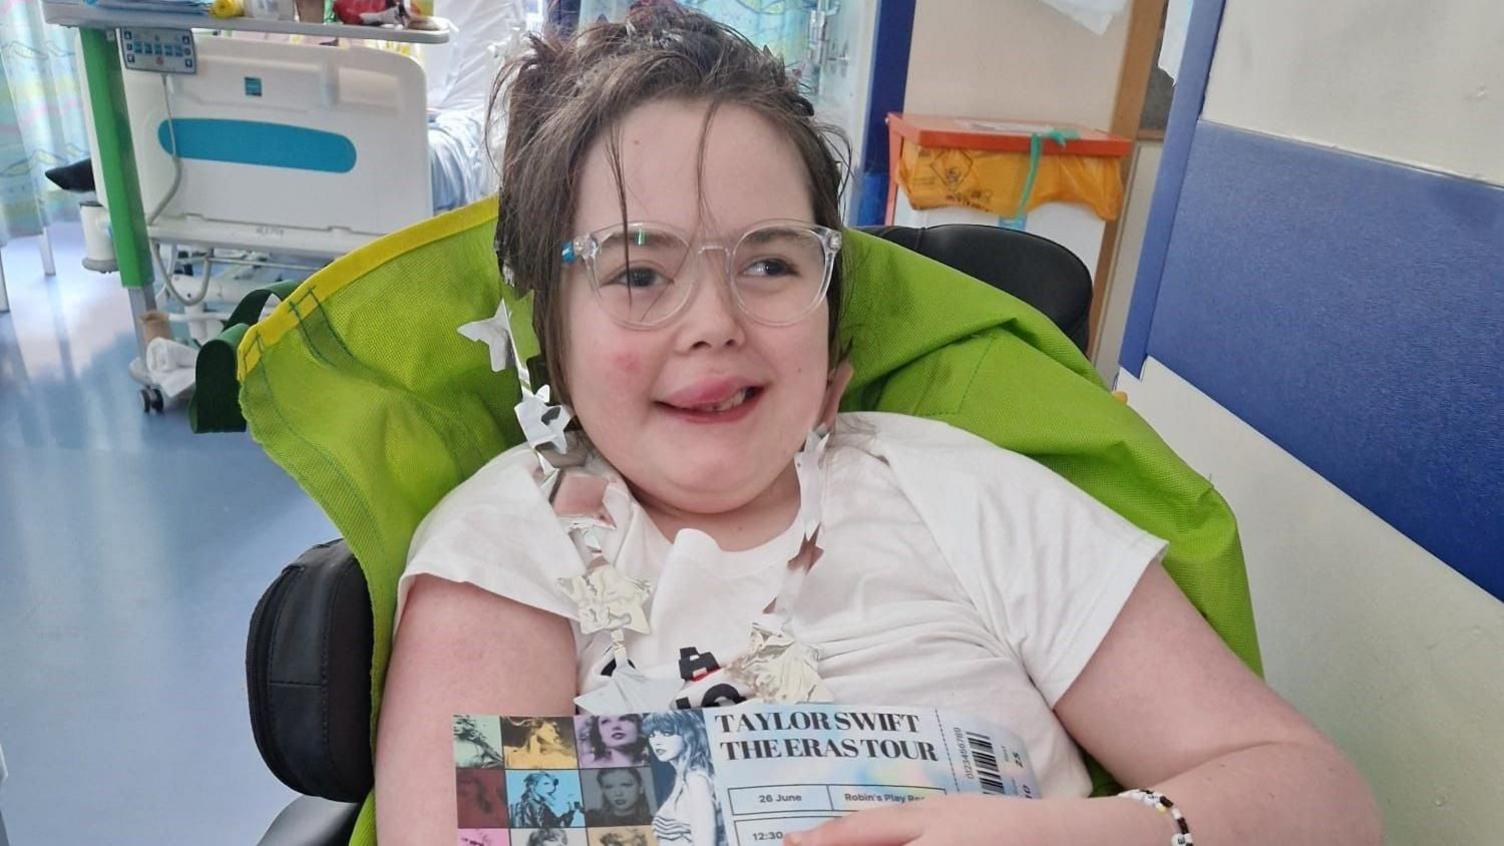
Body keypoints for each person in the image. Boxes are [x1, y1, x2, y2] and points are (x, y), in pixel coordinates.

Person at [374, 6, 1382, 846]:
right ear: (550, 331)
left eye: (769, 262)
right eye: (638, 272)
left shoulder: (963, 495)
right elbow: (484, 825)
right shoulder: (519, 541)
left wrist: (1097, 829)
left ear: (829, 313)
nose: (715, 322)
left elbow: (1314, 797)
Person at [642, 712, 721, 846]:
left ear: (688, 734)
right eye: (652, 735)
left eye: (667, 733)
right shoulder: (681, 777)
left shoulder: (696, 779)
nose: (657, 742)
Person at [585, 767, 655, 826]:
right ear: (603, 790)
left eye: (626, 785)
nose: (618, 793)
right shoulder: (590, 819)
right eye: (609, 787)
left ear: (641, 787)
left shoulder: (653, 823)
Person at [509, 772, 582, 829]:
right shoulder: (532, 806)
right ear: (532, 786)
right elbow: (550, 831)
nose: (552, 788)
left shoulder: (540, 806)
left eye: (552, 784)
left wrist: (571, 811)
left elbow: (554, 826)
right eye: (546, 784)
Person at [578, 714, 650, 768]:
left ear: (639, 727)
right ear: (598, 733)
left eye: (624, 718)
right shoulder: (590, 767)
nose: (615, 726)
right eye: (605, 721)